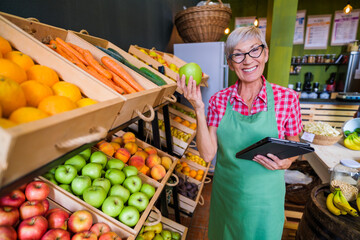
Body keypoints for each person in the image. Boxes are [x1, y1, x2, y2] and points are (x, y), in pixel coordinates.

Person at [176, 26, 303, 240]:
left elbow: (295, 146)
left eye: (255, 50)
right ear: (230, 62)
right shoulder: (219, 100)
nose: (247, 60)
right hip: (228, 198)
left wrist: (287, 161)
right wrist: (198, 107)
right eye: (238, 54)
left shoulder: (287, 98)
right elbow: (207, 155)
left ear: (266, 54)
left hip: (266, 201)